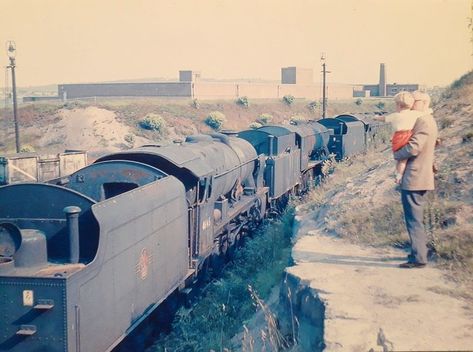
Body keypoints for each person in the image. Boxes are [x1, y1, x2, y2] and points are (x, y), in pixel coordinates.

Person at [393, 91, 438, 268]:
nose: (411, 103)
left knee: (414, 220)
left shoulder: (423, 121)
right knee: (415, 218)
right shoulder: (428, 120)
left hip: (415, 176)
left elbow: (413, 148)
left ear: (422, 102)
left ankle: (418, 258)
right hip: (421, 175)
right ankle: (417, 252)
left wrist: (397, 154)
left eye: (415, 100)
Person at [384, 92, 423, 183]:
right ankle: (399, 175)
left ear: (399, 105)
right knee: (403, 159)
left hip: (398, 138)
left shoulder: (395, 116)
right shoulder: (414, 113)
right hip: (408, 136)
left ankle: (398, 174)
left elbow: (385, 119)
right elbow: (424, 113)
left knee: (400, 159)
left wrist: (376, 118)